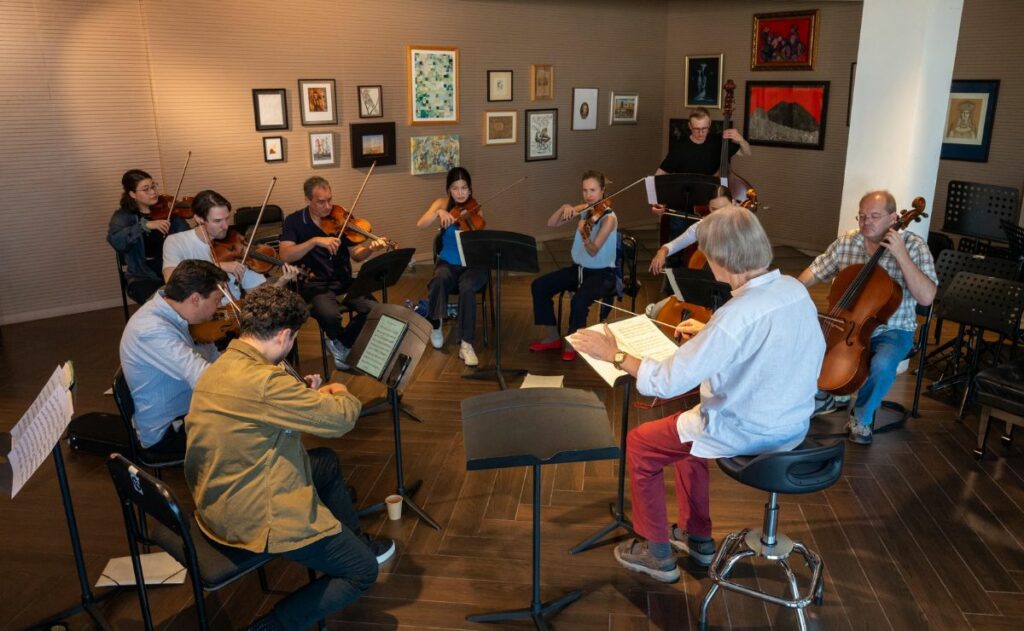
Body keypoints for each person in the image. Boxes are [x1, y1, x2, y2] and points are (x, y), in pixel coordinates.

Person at [571, 206, 824, 583]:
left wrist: (616, 354)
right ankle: (698, 538)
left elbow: (665, 382)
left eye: (707, 255)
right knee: (687, 436)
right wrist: (709, 334)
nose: (706, 264)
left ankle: (658, 555)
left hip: (750, 430)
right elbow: (777, 346)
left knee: (641, 443)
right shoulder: (793, 288)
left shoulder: (736, 316)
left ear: (722, 260)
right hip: (793, 422)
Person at [184, 285, 393, 631]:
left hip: (215, 495)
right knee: (362, 572)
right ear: (284, 336)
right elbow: (341, 419)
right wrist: (339, 390)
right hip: (252, 514)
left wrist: (301, 401)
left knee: (324, 462)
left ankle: (353, 539)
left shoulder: (220, 365)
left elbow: (259, 415)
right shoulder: (266, 382)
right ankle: (271, 627)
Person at [799, 191, 937, 445]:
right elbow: (817, 270)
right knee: (802, 340)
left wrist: (901, 256)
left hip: (893, 330)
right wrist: (791, 290)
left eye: (874, 216)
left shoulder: (914, 246)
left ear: (893, 218)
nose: (866, 223)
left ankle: (861, 418)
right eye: (862, 216)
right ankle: (821, 396)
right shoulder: (848, 242)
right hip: (846, 324)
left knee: (883, 365)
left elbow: (927, 297)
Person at [279, 176, 390, 370]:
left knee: (376, 311)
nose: (328, 206)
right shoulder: (294, 221)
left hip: (344, 281)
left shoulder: (340, 217)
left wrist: (371, 249)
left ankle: (341, 343)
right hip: (314, 286)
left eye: (330, 199)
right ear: (308, 200)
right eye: (321, 202)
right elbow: (286, 254)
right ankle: (343, 344)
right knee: (331, 316)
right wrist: (315, 240)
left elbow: (355, 255)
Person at [118, 259, 228, 452]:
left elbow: (212, 359)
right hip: (168, 429)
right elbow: (206, 379)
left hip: (192, 409)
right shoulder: (152, 330)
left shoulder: (181, 315)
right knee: (252, 431)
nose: (219, 307)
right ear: (195, 298)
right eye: (217, 300)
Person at [529, 170, 619, 361]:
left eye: (593, 190)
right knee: (539, 286)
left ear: (603, 190)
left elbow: (593, 250)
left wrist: (584, 235)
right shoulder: (586, 209)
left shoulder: (609, 218)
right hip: (578, 270)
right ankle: (553, 336)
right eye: (585, 190)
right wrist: (564, 208)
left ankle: (573, 342)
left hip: (603, 275)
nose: (589, 195)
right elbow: (551, 223)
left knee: (579, 300)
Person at [652, 108, 751, 268]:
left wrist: (740, 139)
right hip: (681, 206)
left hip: (708, 206)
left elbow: (747, 152)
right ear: (690, 127)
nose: (700, 133)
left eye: (704, 128)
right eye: (696, 129)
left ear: (709, 125)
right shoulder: (680, 147)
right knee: (676, 249)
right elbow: (660, 174)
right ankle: (672, 284)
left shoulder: (718, 142)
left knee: (707, 249)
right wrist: (656, 201)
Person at [415, 167, 490, 367]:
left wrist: (468, 222)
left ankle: (466, 344)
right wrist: (439, 212)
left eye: (464, 188)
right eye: (455, 188)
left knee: (467, 287)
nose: (460, 193)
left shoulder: (476, 208)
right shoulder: (441, 203)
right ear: (449, 189)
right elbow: (421, 224)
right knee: (439, 277)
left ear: (470, 189)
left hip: (472, 264)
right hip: (448, 261)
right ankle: (437, 323)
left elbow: (480, 239)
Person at [162, 189, 298, 299]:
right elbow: (172, 282)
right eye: (217, 221)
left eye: (226, 219)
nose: (225, 226)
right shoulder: (176, 242)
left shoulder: (233, 246)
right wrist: (217, 267)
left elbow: (260, 295)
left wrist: (282, 281)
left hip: (233, 315)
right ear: (198, 218)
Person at [107, 169, 189, 304]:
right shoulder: (123, 216)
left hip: (175, 271)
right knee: (164, 304)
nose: (153, 192)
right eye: (146, 189)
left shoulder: (169, 211)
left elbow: (186, 238)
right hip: (143, 276)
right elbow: (116, 241)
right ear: (132, 194)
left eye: (153, 186)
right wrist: (144, 226)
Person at [648, 187, 736, 275]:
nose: (719, 214)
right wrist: (662, 251)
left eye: (724, 208)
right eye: (714, 209)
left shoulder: (745, 223)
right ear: (709, 208)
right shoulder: (705, 225)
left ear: (733, 203)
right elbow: (677, 243)